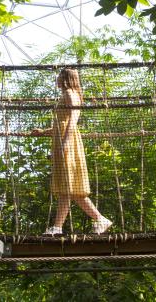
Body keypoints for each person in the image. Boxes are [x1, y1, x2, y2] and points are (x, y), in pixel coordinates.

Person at [32, 68, 112, 235]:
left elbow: (72, 121)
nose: (57, 79)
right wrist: (43, 132)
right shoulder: (68, 94)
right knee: (69, 188)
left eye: (60, 76)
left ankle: (59, 227)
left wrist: (65, 145)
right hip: (62, 140)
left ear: (66, 78)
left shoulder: (70, 93)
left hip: (67, 142)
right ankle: (97, 219)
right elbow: (62, 123)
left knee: (68, 186)